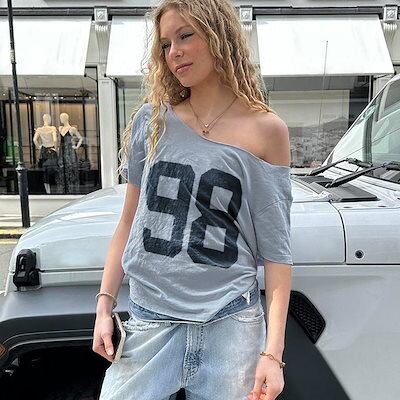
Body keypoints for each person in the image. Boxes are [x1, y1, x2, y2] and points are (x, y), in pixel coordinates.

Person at [93, 1, 293, 399]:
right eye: (166, 44)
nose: (174, 53)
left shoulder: (266, 131)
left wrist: (273, 354)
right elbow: (129, 220)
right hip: (150, 320)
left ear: (220, 37)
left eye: (186, 36)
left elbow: (277, 253)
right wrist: (104, 304)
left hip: (230, 324)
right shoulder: (152, 122)